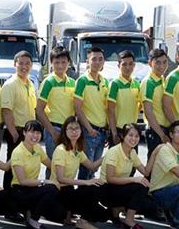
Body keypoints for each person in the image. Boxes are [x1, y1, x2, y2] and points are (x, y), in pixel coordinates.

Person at [50, 116, 106, 229]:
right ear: (65, 131)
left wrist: (107, 156)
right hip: (58, 191)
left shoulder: (78, 150)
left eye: (77, 128)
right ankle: (81, 221)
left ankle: (71, 214)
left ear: (81, 131)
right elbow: (61, 179)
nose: (74, 131)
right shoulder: (61, 150)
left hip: (69, 190)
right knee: (92, 189)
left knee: (103, 215)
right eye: (71, 129)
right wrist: (86, 182)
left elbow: (92, 166)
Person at [99, 124, 157, 229]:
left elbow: (146, 172)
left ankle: (116, 210)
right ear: (123, 136)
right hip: (106, 190)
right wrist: (134, 179)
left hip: (119, 188)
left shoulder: (132, 152)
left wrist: (154, 153)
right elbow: (110, 179)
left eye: (137, 136)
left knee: (151, 203)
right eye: (130, 135)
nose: (134, 138)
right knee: (140, 186)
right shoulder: (114, 151)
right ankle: (129, 220)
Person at [9, 120, 64, 229]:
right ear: (24, 133)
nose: (35, 136)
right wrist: (45, 181)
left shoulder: (37, 148)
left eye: (38, 133)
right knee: (51, 188)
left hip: (32, 189)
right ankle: (33, 220)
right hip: (20, 191)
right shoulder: (18, 152)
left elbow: (50, 164)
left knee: (60, 214)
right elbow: (23, 181)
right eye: (32, 132)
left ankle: (30, 211)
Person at [1, 50, 37, 189]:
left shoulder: (30, 84)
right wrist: (14, 133)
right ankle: (8, 195)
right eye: (21, 63)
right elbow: (6, 110)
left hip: (29, 132)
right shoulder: (10, 84)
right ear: (15, 64)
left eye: (27, 63)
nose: (24, 66)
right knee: (13, 166)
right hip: (17, 131)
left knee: (26, 165)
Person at [74, 47, 109, 180]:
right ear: (87, 62)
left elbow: (105, 107)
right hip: (89, 131)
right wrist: (89, 129)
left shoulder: (105, 81)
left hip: (101, 131)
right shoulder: (82, 81)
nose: (97, 62)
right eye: (94, 59)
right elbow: (77, 107)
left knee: (94, 169)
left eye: (100, 59)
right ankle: (82, 192)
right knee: (86, 169)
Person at [36, 46, 76, 161]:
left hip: (69, 130)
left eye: (64, 62)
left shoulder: (72, 83)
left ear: (69, 63)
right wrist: (52, 131)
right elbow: (39, 110)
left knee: (68, 163)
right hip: (54, 129)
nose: (60, 66)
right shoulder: (48, 82)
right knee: (54, 165)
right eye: (56, 62)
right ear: (51, 63)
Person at [140, 48, 170, 160]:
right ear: (150, 63)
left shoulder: (161, 79)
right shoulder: (148, 82)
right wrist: (162, 135)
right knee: (153, 164)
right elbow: (148, 112)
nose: (162, 66)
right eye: (158, 62)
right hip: (156, 130)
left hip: (164, 129)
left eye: (164, 62)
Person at [108, 51, 141, 147]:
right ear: (119, 66)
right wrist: (114, 133)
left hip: (133, 130)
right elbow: (110, 110)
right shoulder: (115, 84)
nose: (128, 67)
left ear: (134, 65)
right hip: (119, 131)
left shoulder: (136, 84)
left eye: (130, 64)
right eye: (124, 64)